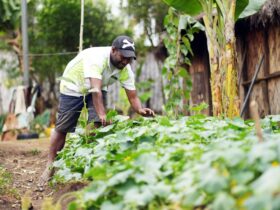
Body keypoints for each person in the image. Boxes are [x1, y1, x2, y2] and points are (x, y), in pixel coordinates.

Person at [39, 35, 155, 184]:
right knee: (63, 127)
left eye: (129, 58)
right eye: (123, 56)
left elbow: (132, 96)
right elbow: (95, 90)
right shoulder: (97, 57)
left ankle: (92, 162)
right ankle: (50, 165)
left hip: (98, 88)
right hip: (74, 86)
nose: (125, 61)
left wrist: (140, 109)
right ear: (113, 50)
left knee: (99, 125)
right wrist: (101, 113)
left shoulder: (125, 69)